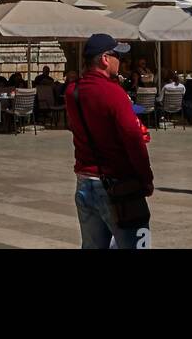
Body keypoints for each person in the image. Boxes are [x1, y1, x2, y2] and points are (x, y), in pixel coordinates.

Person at [64, 34, 152, 249]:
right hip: (117, 184)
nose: (120, 61)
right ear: (104, 59)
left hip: (85, 180)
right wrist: (146, 178)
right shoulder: (114, 93)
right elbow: (133, 140)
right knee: (135, 244)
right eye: (117, 56)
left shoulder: (72, 91)